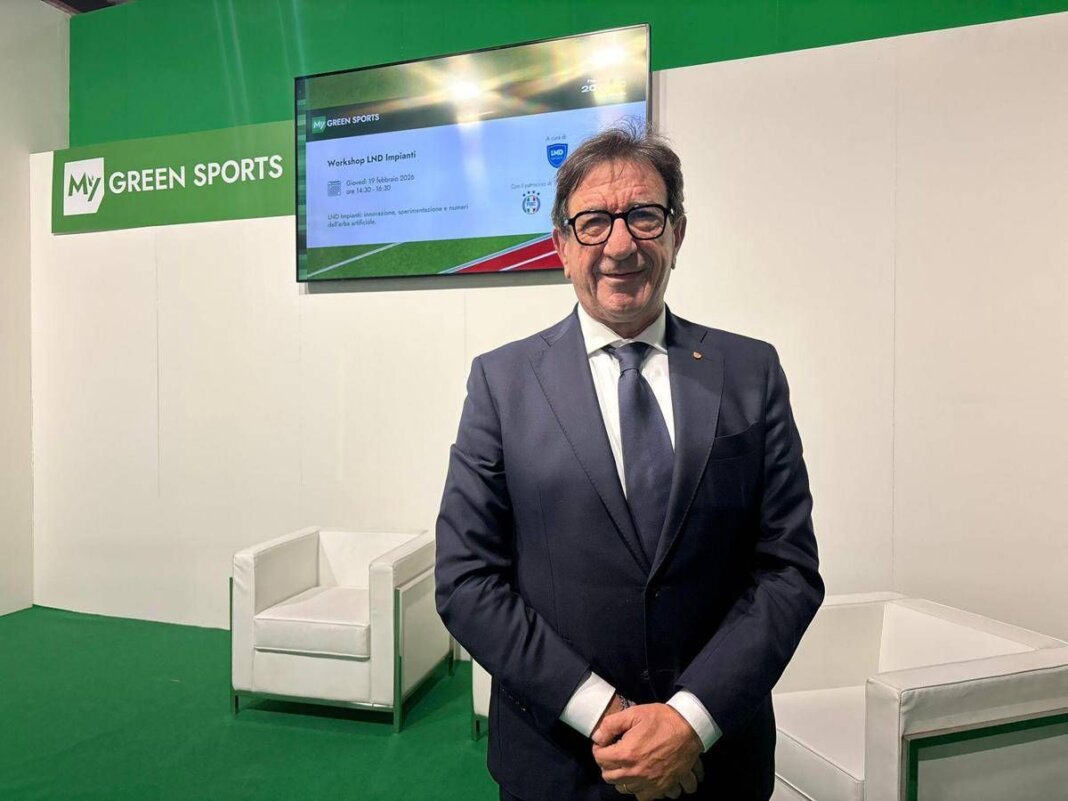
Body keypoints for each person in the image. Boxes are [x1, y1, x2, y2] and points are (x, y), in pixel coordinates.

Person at [435, 124, 824, 801]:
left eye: (643, 216)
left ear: (677, 232)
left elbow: (787, 570)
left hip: (716, 764)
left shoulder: (751, 372)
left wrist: (688, 720)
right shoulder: (501, 383)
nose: (620, 246)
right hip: (560, 765)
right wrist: (603, 712)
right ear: (561, 245)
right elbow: (467, 579)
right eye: (593, 222)